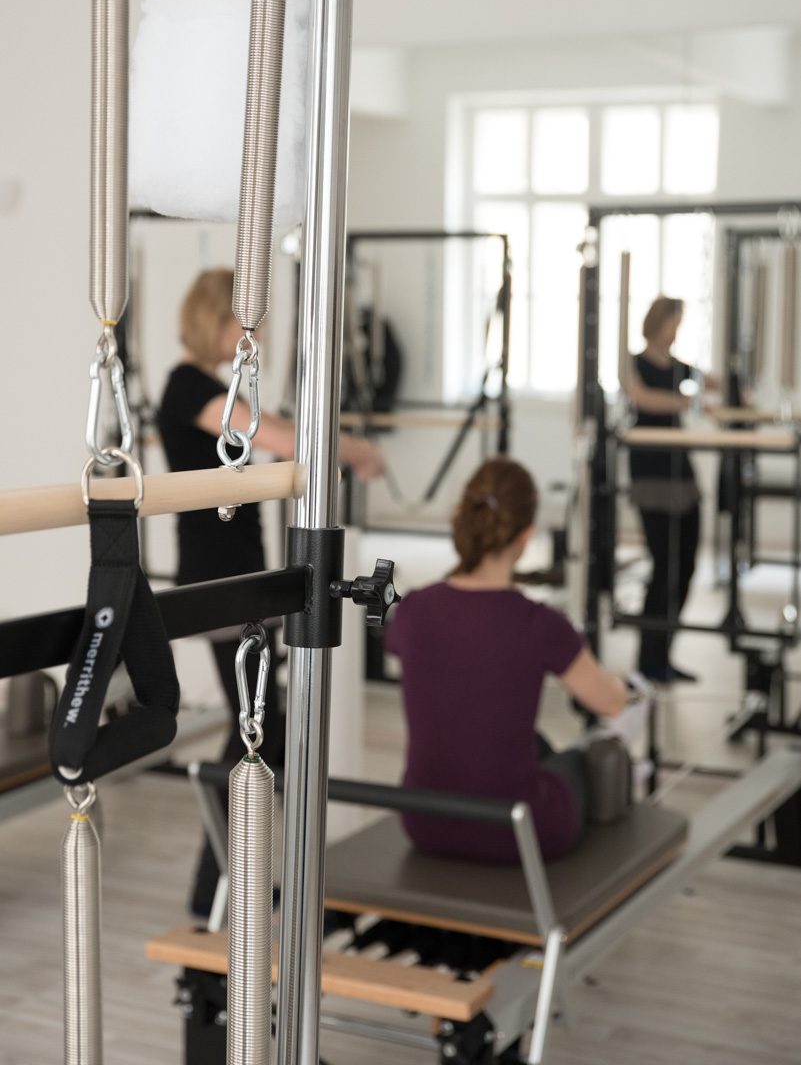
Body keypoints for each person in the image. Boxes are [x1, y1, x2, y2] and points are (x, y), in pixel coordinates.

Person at [158, 267, 385, 912]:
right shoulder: (188, 385)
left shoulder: (214, 387)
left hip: (245, 576)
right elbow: (276, 435)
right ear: (215, 321)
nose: (253, 334)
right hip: (219, 580)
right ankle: (213, 889)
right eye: (244, 322)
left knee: (265, 728)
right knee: (256, 729)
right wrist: (353, 449)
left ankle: (238, 879)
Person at [384, 457, 628, 866]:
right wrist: (622, 683)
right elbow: (611, 703)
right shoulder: (541, 623)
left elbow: (443, 664)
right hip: (517, 831)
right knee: (583, 761)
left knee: (536, 745)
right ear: (525, 536)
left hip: (423, 821)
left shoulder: (413, 610)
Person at [626, 296, 713, 686]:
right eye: (672, 322)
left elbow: (713, 383)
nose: (675, 330)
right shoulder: (634, 363)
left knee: (685, 565)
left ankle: (664, 654)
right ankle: (648, 658)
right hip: (650, 472)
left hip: (680, 472)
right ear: (658, 322)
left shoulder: (680, 367)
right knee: (663, 566)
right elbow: (642, 397)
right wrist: (686, 400)